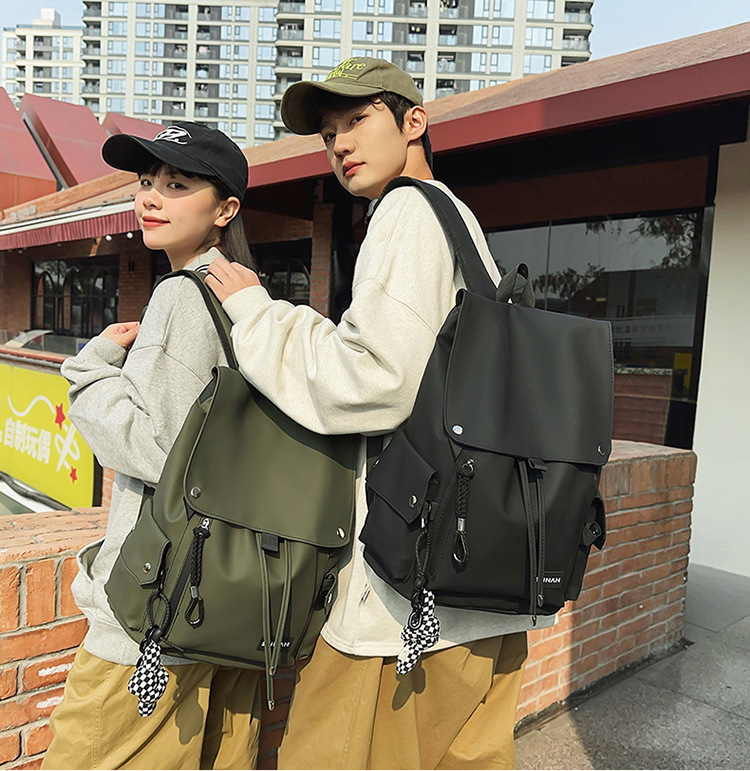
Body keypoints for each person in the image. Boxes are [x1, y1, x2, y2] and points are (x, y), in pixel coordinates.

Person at [206, 58, 556, 770]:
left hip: (403, 599)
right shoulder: (458, 220)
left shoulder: (406, 211)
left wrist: (256, 314)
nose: (340, 144)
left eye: (357, 120)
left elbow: (375, 379)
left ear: (413, 122)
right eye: (328, 134)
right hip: (486, 581)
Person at [43, 123, 262, 770]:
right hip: (228, 593)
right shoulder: (246, 297)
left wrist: (90, 369)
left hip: (153, 603)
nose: (151, 197)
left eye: (177, 184)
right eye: (146, 181)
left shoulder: (182, 295)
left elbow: (161, 451)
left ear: (225, 210)